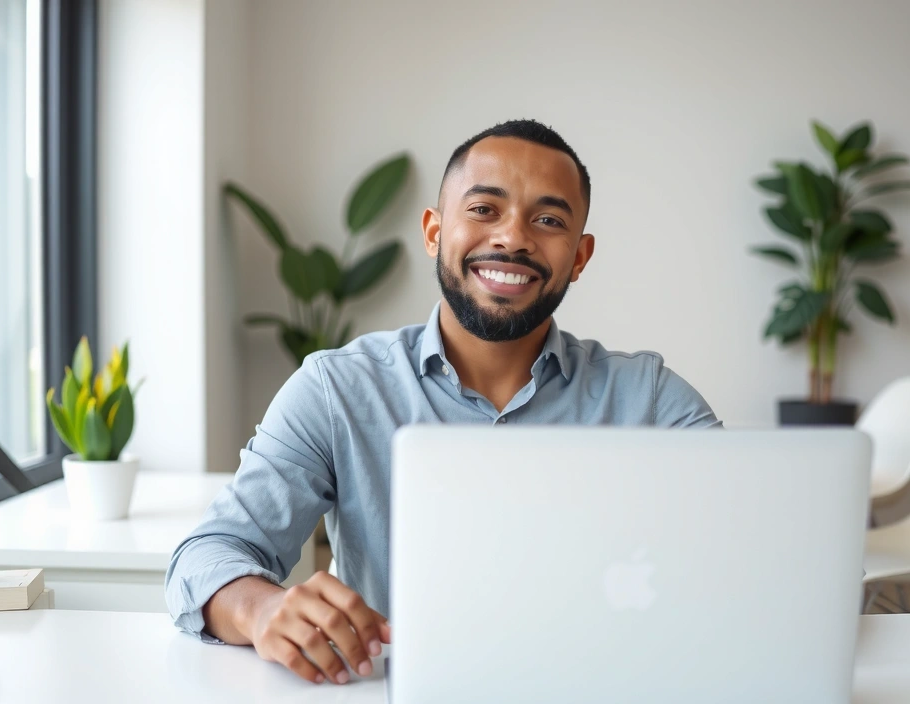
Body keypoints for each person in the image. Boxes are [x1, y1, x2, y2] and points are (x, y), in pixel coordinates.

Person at [165, 118, 721, 685]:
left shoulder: (648, 400)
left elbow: (753, 545)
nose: (513, 238)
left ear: (580, 256)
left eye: (548, 220)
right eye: (484, 209)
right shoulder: (337, 390)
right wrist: (261, 610)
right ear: (434, 231)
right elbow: (209, 554)